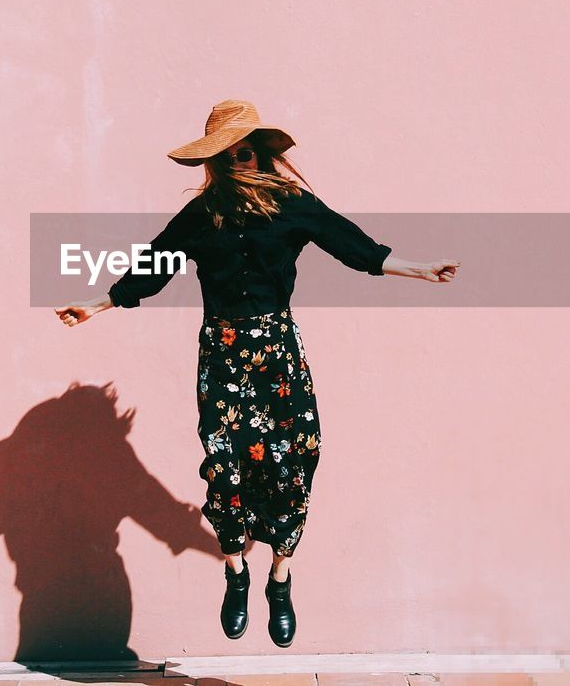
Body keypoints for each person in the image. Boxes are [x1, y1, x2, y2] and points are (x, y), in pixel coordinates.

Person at [55, 99, 459, 647]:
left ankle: (280, 576)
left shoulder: (293, 204)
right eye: (229, 151)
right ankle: (236, 571)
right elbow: (152, 267)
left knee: (298, 455)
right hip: (222, 351)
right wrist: (96, 303)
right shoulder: (200, 217)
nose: (241, 157)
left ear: (262, 150)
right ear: (216, 160)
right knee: (226, 465)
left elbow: (355, 247)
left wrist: (420, 270)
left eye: (248, 147)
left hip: (278, 349)